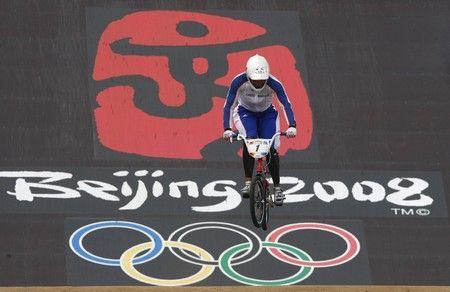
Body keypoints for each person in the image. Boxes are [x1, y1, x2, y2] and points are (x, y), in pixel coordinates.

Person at [222, 54, 297, 206]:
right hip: (245, 113)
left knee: (271, 149)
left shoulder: (274, 83)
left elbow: (285, 104)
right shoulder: (238, 81)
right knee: (250, 139)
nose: (258, 83)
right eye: (255, 80)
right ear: (248, 75)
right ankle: (249, 182)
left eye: (262, 80)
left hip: (267, 114)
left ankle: (277, 188)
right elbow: (229, 105)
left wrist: (292, 126)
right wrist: (227, 128)